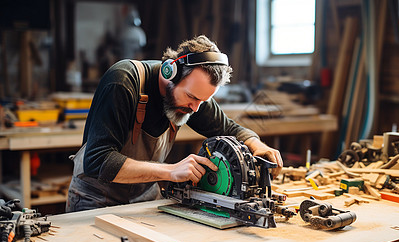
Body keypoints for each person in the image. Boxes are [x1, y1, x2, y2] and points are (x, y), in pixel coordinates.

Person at [66, 35, 283, 212]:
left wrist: (256, 144)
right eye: (192, 97)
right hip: (95, 200)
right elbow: (98, 161)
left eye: (203, 100)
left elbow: (228, 128)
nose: (196, 108)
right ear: (170, 72)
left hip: (145, 198)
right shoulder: (123, 82)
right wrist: (170, 171)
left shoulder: (192, 98)